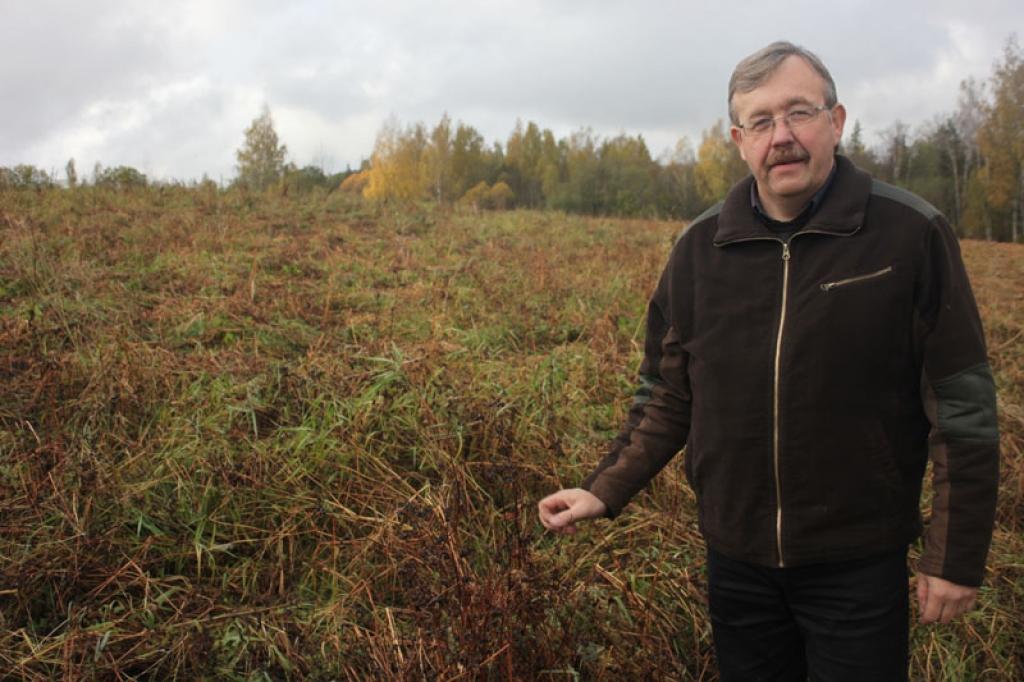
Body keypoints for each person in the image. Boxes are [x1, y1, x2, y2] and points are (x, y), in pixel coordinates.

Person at [538, 41, 999, 681]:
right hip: (738, 565)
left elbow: (963, 408)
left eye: (799, 114)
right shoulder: (700, 249)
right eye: (761, 122)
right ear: (738, 139)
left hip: (858, 566)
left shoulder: (909, 234)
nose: (781, 136)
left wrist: (955, 557)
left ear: (836, 123)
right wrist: (601, 490)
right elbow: (667, 396)